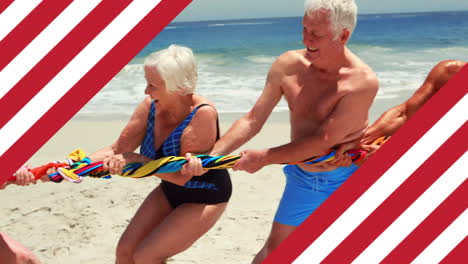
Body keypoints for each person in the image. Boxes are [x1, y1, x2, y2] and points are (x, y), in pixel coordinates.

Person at [190, 1, 378, 262]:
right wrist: (211, 157)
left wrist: (265, 157)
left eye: (316, 34)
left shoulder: (361, 82)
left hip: (346, 175)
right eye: (304, 28)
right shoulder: (288, 65)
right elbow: (253, 119)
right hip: (306, 177)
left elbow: (323, 140)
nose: (306, 38)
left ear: (343, 35)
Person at [14, 45, 232, 264]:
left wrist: (141, 161)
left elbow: (182, 176)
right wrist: (69, 167)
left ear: (176, 87)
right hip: (170, 190)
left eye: (153, 85)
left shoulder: (202, 114)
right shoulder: (151, 105)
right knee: (125, 252)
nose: (146, 91)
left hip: (205, 195)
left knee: (146, 256)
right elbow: (117, 149)